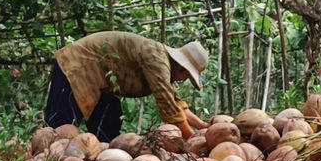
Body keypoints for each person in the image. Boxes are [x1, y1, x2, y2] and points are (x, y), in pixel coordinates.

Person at [44, 31, 209, 142]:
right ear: (181, 67)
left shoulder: (163, 62)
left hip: (105, 84)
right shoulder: (157, 60)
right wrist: (193, 141)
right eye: (186, 76)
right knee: (59, 130)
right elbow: (170, 111)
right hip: (77, 67)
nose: (182, 81)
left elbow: (177, 105)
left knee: (108, 133)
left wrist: (206, 128)